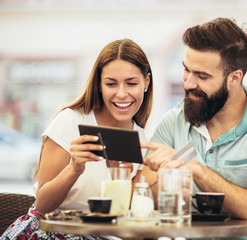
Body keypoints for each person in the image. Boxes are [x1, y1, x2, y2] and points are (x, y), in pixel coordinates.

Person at [141, 17, 247, 239]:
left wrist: (196, 170)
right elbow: (142, 196)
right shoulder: (174, 121)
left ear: (234, 78)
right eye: (186, 70)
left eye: (202, 76)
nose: (188, 83)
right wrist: (162, 186)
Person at [1, 38, 153, 239]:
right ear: (99, 84)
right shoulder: (72, 120)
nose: (121, 94)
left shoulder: (140, 139)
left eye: (131, 83)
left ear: (146, 82)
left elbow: (121, 216)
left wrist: (124, 179)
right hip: (52, 232)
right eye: (111, 84)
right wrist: (74, 168)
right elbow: (43, 205)